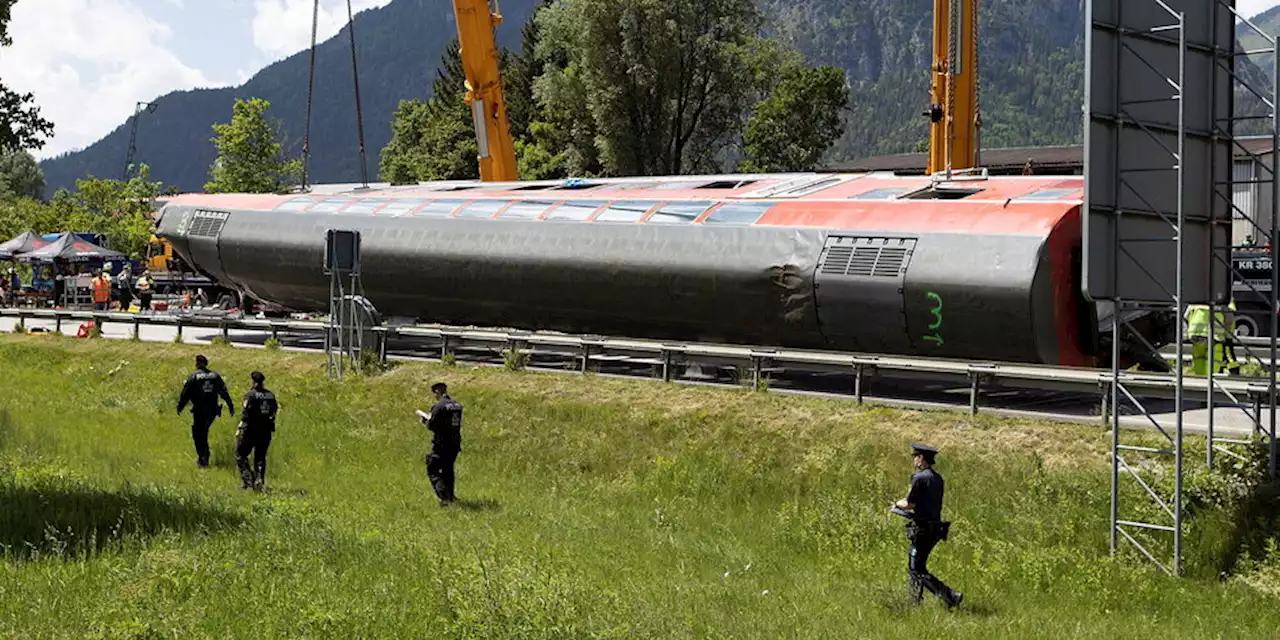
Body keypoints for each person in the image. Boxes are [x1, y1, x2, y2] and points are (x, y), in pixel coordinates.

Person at [893, 442, 962, 609]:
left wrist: (896, 503)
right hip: (935, 528)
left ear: (921, 458)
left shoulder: (919, 477)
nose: (914, 460)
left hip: (922, 529)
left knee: (917, 568)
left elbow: (910, 503)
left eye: (916, 457)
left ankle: (950, 596)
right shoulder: (938, 479)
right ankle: (914, 601)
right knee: (915, 565)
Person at [176, 354, 235, 467]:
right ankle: (203, 457)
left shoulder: (194, 376)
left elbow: (185, 394)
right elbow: (223, 392)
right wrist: (230, 405)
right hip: (212, 411)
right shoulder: (215, 376)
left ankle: (203, 458)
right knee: (203, 432)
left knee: (198, 434)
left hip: (200, 411)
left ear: (197, 363)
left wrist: (180, 407)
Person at [420, 382, 463, 506]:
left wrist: (424, 421)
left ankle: (445, 497)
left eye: (435, 393)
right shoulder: (457, 405)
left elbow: (432, 425)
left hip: (442, 442)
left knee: (432, 468)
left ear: (437, 391)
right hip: (455, 442)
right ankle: (452, 496)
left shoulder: (439, 406)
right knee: (448, 469)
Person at [236, 371, 279, 491]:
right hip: (265, 430)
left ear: (253, 381)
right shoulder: (271, 395)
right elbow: (274, 411)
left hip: (250, 430)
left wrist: (240, 428)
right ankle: (259, 480)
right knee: (260, 457)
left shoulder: (250, 395)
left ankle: (248, 481)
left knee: (241, 455)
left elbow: (246, 413)